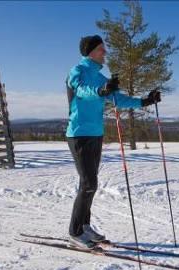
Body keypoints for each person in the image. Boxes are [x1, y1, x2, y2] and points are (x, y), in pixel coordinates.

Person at [66, 35, 161, 248]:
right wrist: (101, 90)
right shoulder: (77, 71)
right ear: (90, 51)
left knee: (89, 182)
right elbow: (82, 91)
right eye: (101, 49)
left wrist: (145, 100)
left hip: (95, 133)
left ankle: (85, 226)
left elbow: (118, 99)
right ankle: (74, 231)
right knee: (89, 183)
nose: (105, 52)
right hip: (78, 133)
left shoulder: (100, 77)